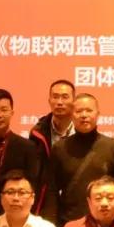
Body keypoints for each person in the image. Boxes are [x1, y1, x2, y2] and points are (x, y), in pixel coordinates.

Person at [44, 93, 114, 227]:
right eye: (79, 111)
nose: (84, 115)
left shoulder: (113, 147)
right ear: (72, 115)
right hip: (69, 225)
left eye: (89, 110)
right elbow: (51, 191)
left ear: (98, 114)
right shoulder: (60, 148)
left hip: (107, 224)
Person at [0, 89, 39, 223]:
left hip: (15, 221)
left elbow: (33, 187)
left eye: (4, 110)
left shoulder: (27, 147)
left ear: (12, 113)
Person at [29, 79, 76, 210]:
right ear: (49, 101)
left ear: (74, 101)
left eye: (65, 97)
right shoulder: (37, 134)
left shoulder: (83, 131)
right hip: (46, 202)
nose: (59, 102)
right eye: (55, 97)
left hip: (75, 201)